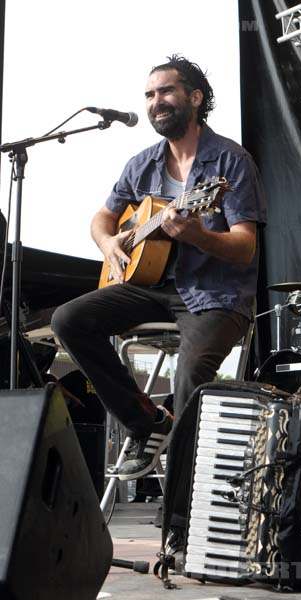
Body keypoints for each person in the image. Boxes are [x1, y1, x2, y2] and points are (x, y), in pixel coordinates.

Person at [51, 54, 266, 485]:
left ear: (195, 97)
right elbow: (102, 218)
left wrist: (197, 235)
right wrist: (110, 242)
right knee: (68, 319)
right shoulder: (142, 164)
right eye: (149, 94)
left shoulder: (230, 162)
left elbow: (245, 248)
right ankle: (147, 421)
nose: (155, 101)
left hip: (214, 295)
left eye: (166, 91)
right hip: (150, 285)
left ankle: (183, 513)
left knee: (189, 379)